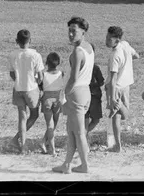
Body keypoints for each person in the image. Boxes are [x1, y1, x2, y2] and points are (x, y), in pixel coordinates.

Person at [52, 16, 93, 174]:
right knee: (71, 132)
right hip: (84, 92)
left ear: (83, 32)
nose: (70, 34)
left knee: (79, 133)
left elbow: (73, 78)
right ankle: (67, 164)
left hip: (76, 93)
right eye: (69, 31)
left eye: (74, 31)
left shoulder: (77, 51)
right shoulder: (88, 47)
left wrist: (63, 96)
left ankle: (85, 165)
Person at [105, 26, 140, 152]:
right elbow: (136, 55)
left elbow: (113, 78)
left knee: (115, 117)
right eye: (107, 37)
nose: (106, 40)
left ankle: (117, 145)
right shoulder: (125, 45)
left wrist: (112, 97)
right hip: (126, 85)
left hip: (116, 87)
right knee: (123, 115)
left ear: (117, 40)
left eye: (110, 39)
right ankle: (116, 144)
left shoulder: (115, 55)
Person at [9, 29, 44, 154]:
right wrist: (38, 84)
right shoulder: (35, 55)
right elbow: (40, 76)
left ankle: (22, 146)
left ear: (16, 41)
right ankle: (16, 139)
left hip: (18, 88)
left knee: (22, 117)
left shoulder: (13, 54)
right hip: (31, 88)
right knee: (34, 115)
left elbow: (12, 73)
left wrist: (18, 80)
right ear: (30, 40)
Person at [40, 52, 64, 156]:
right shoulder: (61, 74)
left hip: (46, 100)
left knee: (49, 124)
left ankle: (48, 146)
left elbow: (40, 86)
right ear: (58, 63)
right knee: (54, 123)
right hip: (57, 100)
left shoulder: (44, 74)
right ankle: (49, 146)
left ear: (47, 63)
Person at [84, 44, 105, 142]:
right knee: (95, 119)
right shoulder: (95, 68)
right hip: (94, 96)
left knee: (85, 118)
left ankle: (83, 135)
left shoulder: (81, 67)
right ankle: (84, 135)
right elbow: (101, 82)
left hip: (83, 95)